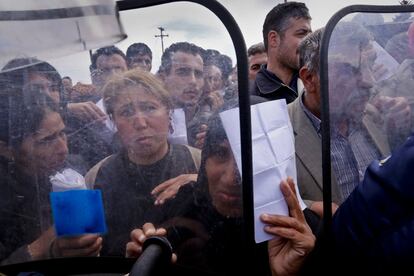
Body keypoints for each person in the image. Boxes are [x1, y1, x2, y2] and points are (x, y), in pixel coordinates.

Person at [125, 113, 319, 275]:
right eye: (219, 153)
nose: (231, 178)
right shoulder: (176, 209)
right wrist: (143, 263)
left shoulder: (301, 234)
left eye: (250, 158)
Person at [289, 24, 411, 215]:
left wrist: (400, 130)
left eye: (370, 64)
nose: (368, 80)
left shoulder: (376, 115)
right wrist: (307, 207)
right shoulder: (279, 133)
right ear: (309, 78)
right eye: (348, 70)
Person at [85, 69, 201, 256]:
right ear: (114, 121)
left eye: (149, 107)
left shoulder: (199, 163)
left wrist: (200, 180)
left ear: (168, 112)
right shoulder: (95, 177)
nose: (140, 122)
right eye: (126, 112)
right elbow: (88, 251)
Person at [0, 73, 101, 265]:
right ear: (5, 148)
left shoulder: (75, 169)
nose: (63, 149)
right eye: (46, 140)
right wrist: (42, 247)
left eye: (62, 133)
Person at [250, 1, 312, 103]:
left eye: (310, 35)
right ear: (274, 39)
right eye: (302, 34)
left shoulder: (316, 84)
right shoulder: (248, 99)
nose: (309, 42)